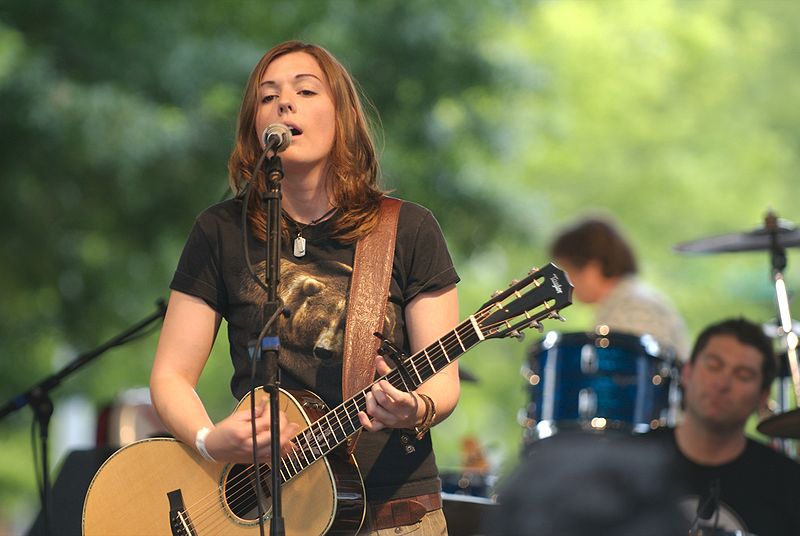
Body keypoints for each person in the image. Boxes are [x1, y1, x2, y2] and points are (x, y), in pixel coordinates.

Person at [150, 40, 460, 535]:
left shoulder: (408, 230)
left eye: (305, 90)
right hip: (262, 511)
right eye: (267, 95)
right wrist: (211, 440)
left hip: (391, 513)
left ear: (343, 116)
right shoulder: (219, 231)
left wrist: (414, 407)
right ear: (257, 126)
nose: (283, 102)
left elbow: (443, 378)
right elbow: (170, 376)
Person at [649, 317, 800, 536]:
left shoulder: (789, 484)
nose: (722, 383)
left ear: (762, 397)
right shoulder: (629, 463)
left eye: (743, 375)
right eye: (713, 365)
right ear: (687, 372)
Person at [549, 215, 690, 360]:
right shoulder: (624, 302)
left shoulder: (632, 307)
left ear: (592, 268)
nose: (564, 282)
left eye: (567, 271)